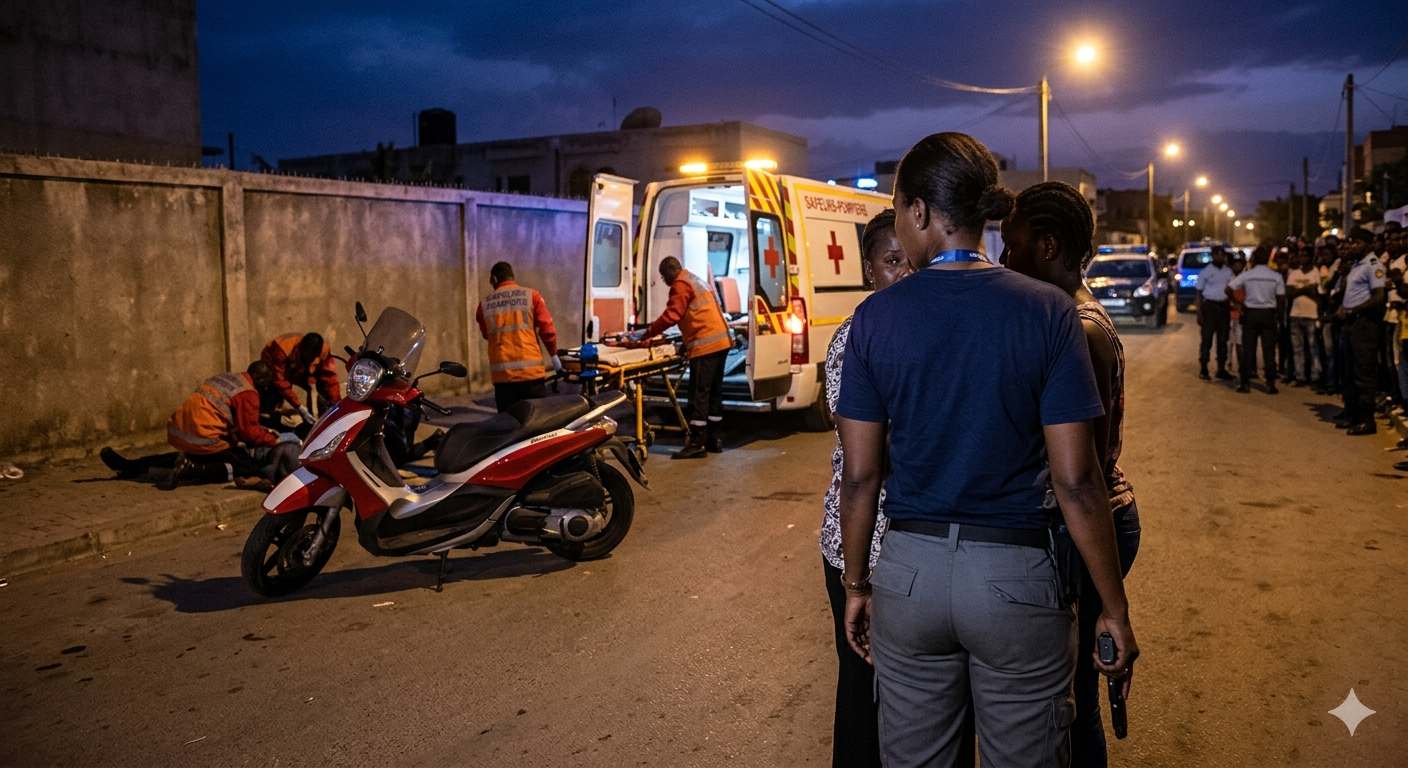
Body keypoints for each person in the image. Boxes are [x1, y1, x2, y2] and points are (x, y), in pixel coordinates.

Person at [835, 132, 1137, 767]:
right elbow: (1077, 480)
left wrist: (859, 583)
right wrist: (1113, 606)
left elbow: (860, 480)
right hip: (1017, 578)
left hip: (909, 576)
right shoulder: (1049, 312)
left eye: (897, 209)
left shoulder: (874, 319)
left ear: (918, 212)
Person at [1001, 181, 1141, 768]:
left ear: (1049, 245)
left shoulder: (1078, 327)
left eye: (1014, 246)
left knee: (1072, 696)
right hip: (1095, 516)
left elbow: (1078, 468)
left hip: (1091, 521)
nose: (1004, 260)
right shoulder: (1071, 317)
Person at [820, 209, 926, 768]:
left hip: (912, 546)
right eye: (891, 262)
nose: (904, 273)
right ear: (868, 270)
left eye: (911, 260)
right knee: (864, 692)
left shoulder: (918, 329)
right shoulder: (855, 338)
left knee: (911, 703)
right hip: (864, 543)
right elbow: (867, 466)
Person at [99, 361, 301, 492]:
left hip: (180, 430)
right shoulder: (249, 393)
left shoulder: (227, 378)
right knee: (248, 468)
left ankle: (131, 467)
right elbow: (249, 433)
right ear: (263, 381)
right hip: (203, 437)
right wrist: (276, 439)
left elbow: (223, 418)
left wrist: (233, 441)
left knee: (185, 456)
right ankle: (194, 470)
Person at [632, 256, 733, 459]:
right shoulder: (694, 279)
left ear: (669, 272)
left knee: (698, 395)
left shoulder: (680, 285)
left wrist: (648, 333)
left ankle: (697, 443)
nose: (664, 281)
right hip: (721, 342)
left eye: (663, 277)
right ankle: (715, 439)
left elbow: (672, 315)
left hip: (706, 346)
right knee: (714, 394)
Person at [476, 261, 561, 413]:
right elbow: (547, 329)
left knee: (509, 425)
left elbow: (486, 334)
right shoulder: (532, 296)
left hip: (503, 378)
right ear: (512, 277)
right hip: (532, 375)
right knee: (539, 422)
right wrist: (554, 357)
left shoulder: (484, 305)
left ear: (494, 279)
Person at [1335, 230, 1387, 435]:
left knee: (1363, 372)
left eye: (1356, 243)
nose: (1352, 246)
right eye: (1351, 243)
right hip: (1350, 323)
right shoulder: (1357, 264)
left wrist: (1353, 309)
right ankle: (1353, 413)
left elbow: (1378, 297)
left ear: (1367, 245)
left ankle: (1367, 419)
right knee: (1348, 371)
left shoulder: (1374, 266)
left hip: (1365, 323)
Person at [1228, 247, 1286, 394]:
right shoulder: (1275, 276)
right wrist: (1279, 315)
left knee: (1248, 349)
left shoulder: (1248, 275)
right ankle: (1270, 383)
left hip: (1250, 314)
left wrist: (1238, 304)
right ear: (1268, 259)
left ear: (1253, 259)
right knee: (1269, 351)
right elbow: (1281, 298)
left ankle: (1245, 383)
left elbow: (1228, 289)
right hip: (1268, 314)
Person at [260, 332, 341, 424]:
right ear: (301, 348)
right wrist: (299, 406)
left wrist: (336, 403)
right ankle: (268, 420)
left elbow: (330, 378)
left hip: (298, 365)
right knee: (275, 391)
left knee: (323, 388)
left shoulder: (324, 351)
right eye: (306, 356)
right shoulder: (281, 350)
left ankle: (321, 418)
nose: (308, 359)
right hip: (274, 361)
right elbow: (281, 383)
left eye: (311, 357)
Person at [1195, 245, 1235, 380]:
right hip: (1210, 307)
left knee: (1223, 339)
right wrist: (1199, 312)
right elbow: (1199, 293)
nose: (1220, 257)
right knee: (1207, 339)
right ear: (1212, 256)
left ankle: (1221, 368)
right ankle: (1204, 368)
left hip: (1224, 307)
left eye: (1221, 255)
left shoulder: (1228, 272)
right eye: (1217, 255)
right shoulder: (1206, 272)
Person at [1285, 249, 1323, 387]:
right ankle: (1300, 376)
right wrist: (1306, 289)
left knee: (1314, 347)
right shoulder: (1294, 273)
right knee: (1298, 348)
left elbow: (1317, 292)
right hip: (1295, 314)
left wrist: (1298, 290)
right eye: (1300, 256)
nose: (1302, 258)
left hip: (1312, 314)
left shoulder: (1316, 272)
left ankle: (1315, 376)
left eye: (1305, 256)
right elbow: (1289, 293)